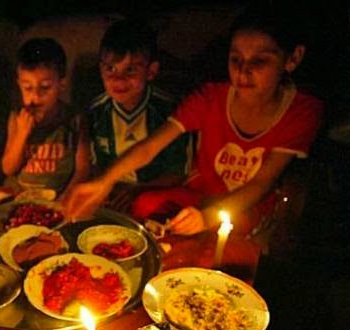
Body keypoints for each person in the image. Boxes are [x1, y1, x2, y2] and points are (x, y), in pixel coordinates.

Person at [62, 4, 324, 236]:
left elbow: (261, 183)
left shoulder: (301, 111)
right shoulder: (210, 98)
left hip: (248, 207)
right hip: (198, 197)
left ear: (293, 58)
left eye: (260, 61)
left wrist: (207, 218)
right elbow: (150, 147)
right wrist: (105, 180)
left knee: (228, 239)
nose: (243, 71)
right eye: (236, 59)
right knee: (144, 205)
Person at [88, 18, 191, 211]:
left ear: (151, 71)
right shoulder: (96, 111)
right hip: (110, 197)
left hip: (153, 196)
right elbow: (94, 166)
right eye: (110, 69)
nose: (118, 80)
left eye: (130, 70)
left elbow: (178, 174)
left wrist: (138, 190)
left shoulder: (169, 112)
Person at [1, 37, 91, 196]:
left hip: (58, 197)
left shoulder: (75, 119)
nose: (35, 96)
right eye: (28, 88)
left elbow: (82, 170)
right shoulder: (17, 118)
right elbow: (8, 169)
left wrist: (66, 199)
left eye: (45, 87)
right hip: (21, 195)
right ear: (19, 84)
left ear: (61, 84)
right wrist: (22, 134)